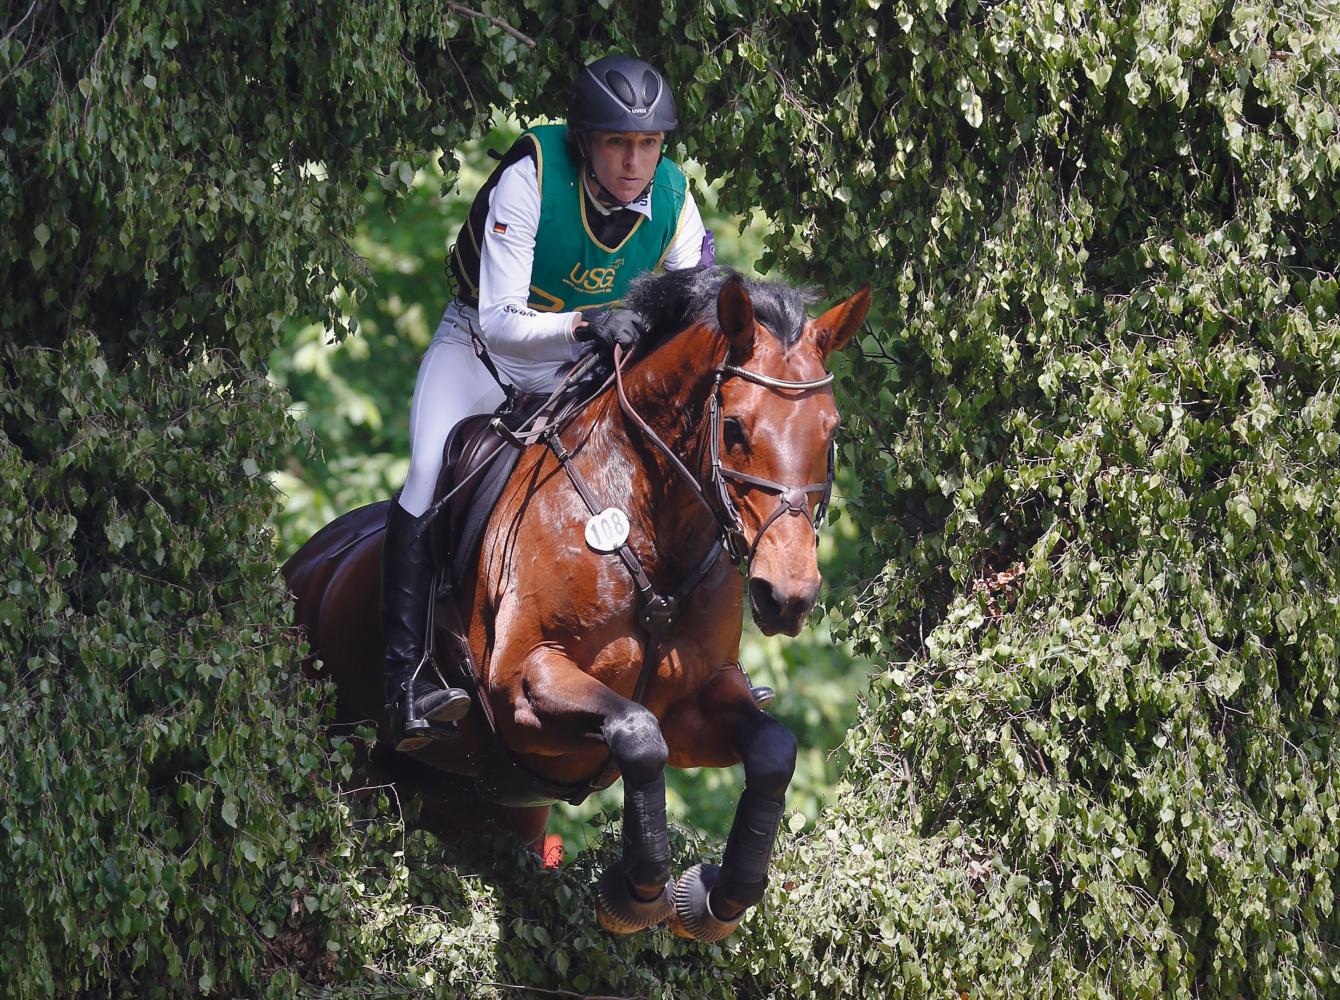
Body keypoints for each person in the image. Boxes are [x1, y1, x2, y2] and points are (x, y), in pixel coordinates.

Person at [383, 54, 768, 754]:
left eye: (648, 144)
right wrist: (588, 321)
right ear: (585, 140)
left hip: (586, 363)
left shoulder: (676, 199)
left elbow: (697, 318)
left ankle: (716, 662)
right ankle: (402, 680)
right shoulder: (532, 177)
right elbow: (501, 320)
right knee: (424, 476)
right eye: (619, 143)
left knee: (682, 461)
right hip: (482, 353)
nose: (634, 161)